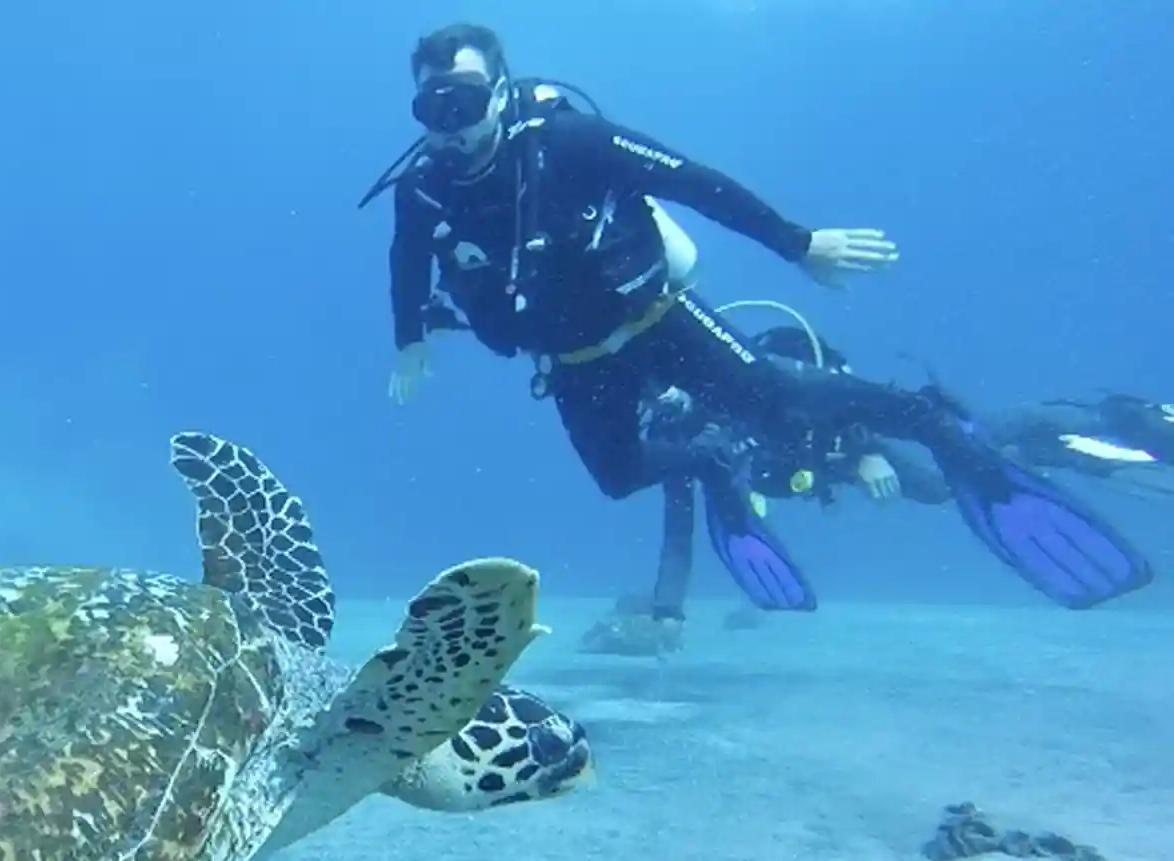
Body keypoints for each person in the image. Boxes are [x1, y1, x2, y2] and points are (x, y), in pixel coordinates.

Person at [368, 22, 1154, 612]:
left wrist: (796, 242)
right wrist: (410, 340)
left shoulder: (569, 141)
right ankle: (712, 462)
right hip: (576, 365)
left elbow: (692, 181)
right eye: (432, 104)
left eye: (464, 99)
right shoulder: (423, 189)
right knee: (618, 479)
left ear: (500, 90)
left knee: (778, 400)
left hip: (659, 323)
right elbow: (407, 260)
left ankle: (930, 423)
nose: (450, 120)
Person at [639, 324, 1174, 625]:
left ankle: (1107, 421)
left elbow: (842, 400)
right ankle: (1053, 448)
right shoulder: (692, 443)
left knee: (955, 460)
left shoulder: (752, 384)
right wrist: (667, 609)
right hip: (821, 462)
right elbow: (678, 528)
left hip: (843, 440)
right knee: (943, 488)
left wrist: (864, 453)